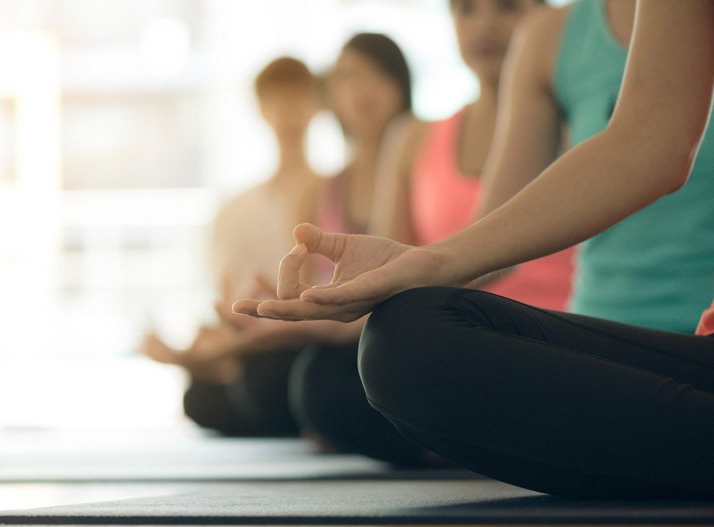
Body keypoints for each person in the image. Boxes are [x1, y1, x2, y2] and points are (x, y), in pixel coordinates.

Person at [235, 0, 714, 499]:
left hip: (683, 339)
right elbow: (642, 144)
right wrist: (415, 267)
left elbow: (655, 148)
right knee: (401, 343)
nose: (484, 25)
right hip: (617, 346)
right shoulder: (552, 36)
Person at [141, 56, 323, 436]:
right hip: (253, 344)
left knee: (263, 382)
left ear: (317, 104)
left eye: (298, 99)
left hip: (310, 342)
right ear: (261, 110)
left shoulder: (333, 191)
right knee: (200, 400)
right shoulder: (234, 210)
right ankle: (227, 369)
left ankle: (223, 367)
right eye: (278, 101)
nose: (289, 113)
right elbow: (227, 302)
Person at [371, 0, 573, 312]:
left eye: (507, 6)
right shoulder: (411, 139)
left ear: (547, 16)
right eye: (466, 8)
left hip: (568, 336)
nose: (484, 25)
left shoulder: (581, 129)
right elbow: (384, 278)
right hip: (453, 331)